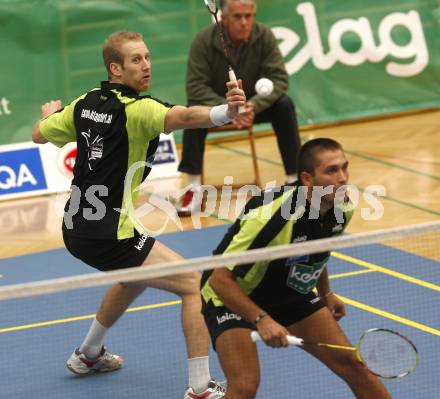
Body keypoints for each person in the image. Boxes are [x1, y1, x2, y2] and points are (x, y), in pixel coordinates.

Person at [31, 31, 246, 399]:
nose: (146, 65)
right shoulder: (139, 110)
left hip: (77, 228)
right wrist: (226, 112)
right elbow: (186, 116)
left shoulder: (85, 103)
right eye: (135, 60)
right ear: (115, 68)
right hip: (109, 233)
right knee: (196, 285)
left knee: (133, 276)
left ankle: (88, 354)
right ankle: (199, 387)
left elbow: (39, 134)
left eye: (147, 57)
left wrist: (52, 116)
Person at [200, 138, 393, 399]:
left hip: (290, 293)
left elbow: (317, 251)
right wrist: (261, 319)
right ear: (307, 178)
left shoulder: (343, 207)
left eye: (345, 168)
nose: (343, 178)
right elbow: (219, 279)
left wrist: (326, 293)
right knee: (244, 388)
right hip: (234, 298)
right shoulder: (273, 215)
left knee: (355, 367)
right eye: (331, 171)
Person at [177, 0, 301, 216]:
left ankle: (294, 179)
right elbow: (195, 87)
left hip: (253, 106)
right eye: (237, 16)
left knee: (285, 105)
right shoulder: (204, 41)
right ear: (224, 18)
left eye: (249, 15)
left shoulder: (264, 36)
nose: (244, 22)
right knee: (192, 111)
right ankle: (193, 187)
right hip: (218, 106)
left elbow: (279, 79)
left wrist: (252, 106)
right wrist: (228, 109)